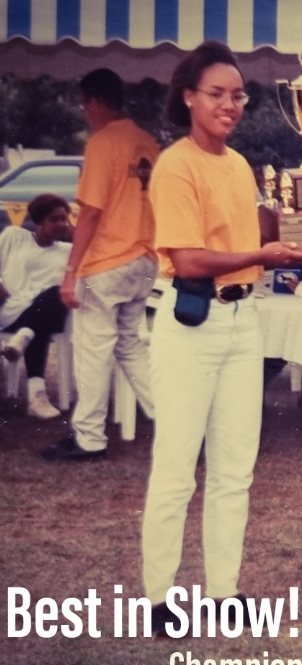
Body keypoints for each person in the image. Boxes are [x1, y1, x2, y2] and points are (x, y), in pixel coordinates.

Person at [141, 41, 302, 635]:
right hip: (191, 322)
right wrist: (264, 254)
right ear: (188, 97)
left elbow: (258, 233)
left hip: (243, 321)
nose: (229, 105)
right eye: (216, 93)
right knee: (176, 469)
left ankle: (222, 592)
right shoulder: (176, 165)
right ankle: (159, 598)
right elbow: (189, 258)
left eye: (237, 95)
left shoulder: (238, 165)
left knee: (235, 469)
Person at [42, 68, 160, 461]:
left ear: (94, 101)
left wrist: (71, 271)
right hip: (143, 260)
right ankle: (179, 424)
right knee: (130, 345)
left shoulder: (103, 142)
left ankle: (89, 437)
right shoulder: (147, 143)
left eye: (83, 105)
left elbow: (91, 212)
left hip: (107, 261)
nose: (85, 112)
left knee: (94, 350)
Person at [0, 194, 72, 418]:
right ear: (39, 221)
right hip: (11, 310)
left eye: (64, 219)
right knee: (39, 325)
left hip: (44, 311)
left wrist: (76, 237)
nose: (61, 224)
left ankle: (24, 338)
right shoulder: (14, 236)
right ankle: (37, 397)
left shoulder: (68, 251)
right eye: (54, 219)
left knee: (56, 293)